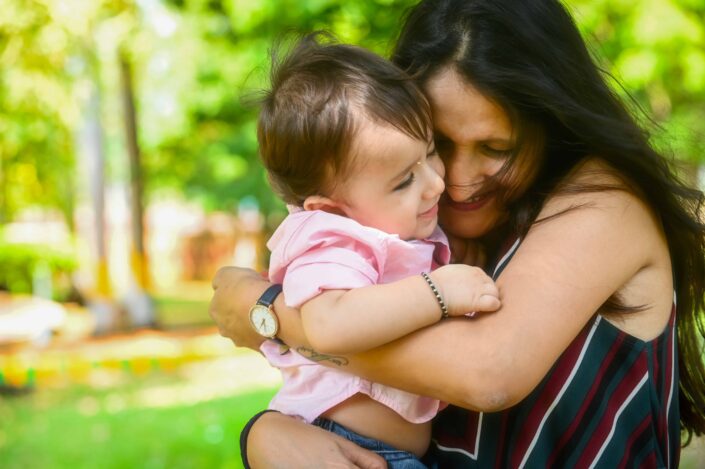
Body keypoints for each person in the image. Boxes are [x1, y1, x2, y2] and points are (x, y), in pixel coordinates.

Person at [209, 0, 705, 467]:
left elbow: (489, 372)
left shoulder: (605, 200)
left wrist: (267, 312)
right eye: (440, 144)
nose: (456, 179)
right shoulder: (417, 228)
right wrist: (265, 434)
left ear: (550, 122)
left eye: (496, 147)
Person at [247, 32, 501, 468]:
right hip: (340, 444)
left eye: (430, 152)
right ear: (330, 209)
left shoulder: (389, 226)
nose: (436, 182)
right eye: (404, 181)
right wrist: (438, 292)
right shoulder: (331, 239)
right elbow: (328, 324)